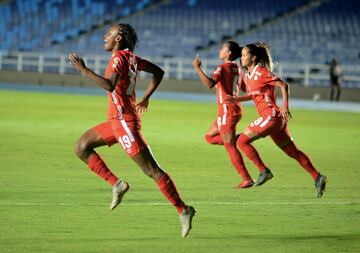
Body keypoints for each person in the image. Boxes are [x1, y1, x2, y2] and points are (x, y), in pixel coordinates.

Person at [68, 23, 195, 237]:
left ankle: (183, 210)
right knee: (82, 147)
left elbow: (109, 85)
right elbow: (158, 72)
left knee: (151, 170)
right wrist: (146, 96)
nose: (104, 37)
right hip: (115, 121)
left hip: (124, 123)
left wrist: (83, 69)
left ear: (118, 38)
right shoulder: (132, 58)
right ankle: (117, 184)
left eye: (109, 33)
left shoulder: (119, 58)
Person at [226, 42, 328, 198]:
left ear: (253, 58)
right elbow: (255, 94)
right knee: (292, 152)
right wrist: (237, 98)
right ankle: (317, 177)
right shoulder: (248, 76)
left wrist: (285, 105)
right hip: (275, 121)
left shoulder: (261, 72)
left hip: (271, 116)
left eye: (244, 55)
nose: (241, 58)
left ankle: (263, 171)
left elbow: (283, 85)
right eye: (241, 55)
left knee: (241, 141)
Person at [192, 41, 254, 188]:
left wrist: (198, 68)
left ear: (229, 53)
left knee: (229, 146)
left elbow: (209, 84)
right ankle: (239, 139)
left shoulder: (222, 67)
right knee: (209, 137)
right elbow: (244, 88)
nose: (220, 50)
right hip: (233, 110)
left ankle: (247, 178)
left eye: (223, 49)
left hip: (228, 111)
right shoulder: (237, 68)